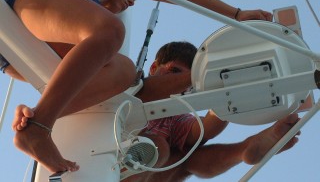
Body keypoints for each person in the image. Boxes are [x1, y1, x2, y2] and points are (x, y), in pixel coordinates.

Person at [0, 0, 273, 173]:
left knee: (119, 70)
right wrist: (236, 14)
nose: (132, 2)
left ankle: (36, 116)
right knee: (112, 32)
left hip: (13, 50)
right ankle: (37, 127)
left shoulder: (75, 5)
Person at [12, 42, 300, 182]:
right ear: (154, 69)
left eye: (186, 79)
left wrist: (223, 95)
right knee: (164, 150)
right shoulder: (126, 85)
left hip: (143, 173)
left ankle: (245, 150)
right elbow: (67, 87)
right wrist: (35, 111)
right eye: (173, 72)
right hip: (105, 152)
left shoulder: (174, 115)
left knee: (187, 156)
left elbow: (205, 130)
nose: (178, 82)